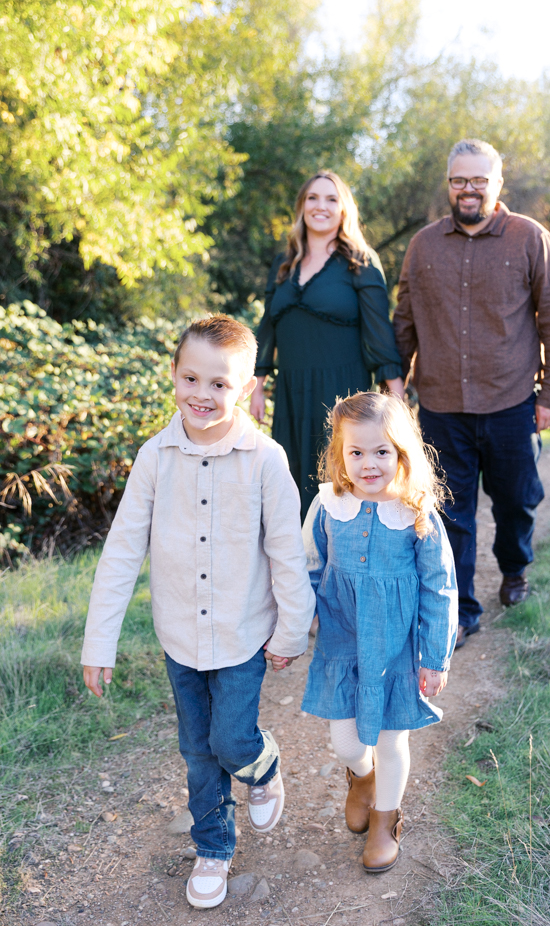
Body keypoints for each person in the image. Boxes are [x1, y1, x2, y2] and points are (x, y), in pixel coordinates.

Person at [81, 314, 315, 910]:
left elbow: (288, 553)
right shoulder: (155, 456)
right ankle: (213, 845)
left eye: (219, 383)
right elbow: (122, 550)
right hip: (180, 634)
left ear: (247, 387)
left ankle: (261, 767)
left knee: (232, 739)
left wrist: (291, 629)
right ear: (174, 374)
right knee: (196, 748)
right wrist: (98, 643)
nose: (202, 395)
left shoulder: (267, 460)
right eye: (191, 378)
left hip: (243, 634)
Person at [393, 138, 550, 649]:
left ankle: (515, 570)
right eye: (458, 180)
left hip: (512, 401)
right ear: (448, 184)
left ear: (497, 184)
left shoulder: (530, 239)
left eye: (478, 180)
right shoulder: (423, 244)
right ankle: (461, 609)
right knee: (451, 513)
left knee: (517, 500)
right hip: (441, 406)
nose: (468, 189)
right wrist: (395, 384)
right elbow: (404, 318)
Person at [300, 392, 458, 873]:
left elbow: (440, 587)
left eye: (381, 452)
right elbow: (308, 567)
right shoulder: (329, 505)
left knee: (391, 740)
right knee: (346, 742)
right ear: (341, 454)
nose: (369, 464)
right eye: (357, 452)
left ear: (402, 453)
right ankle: (361, 779)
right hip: (343, 641)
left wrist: (435, 657)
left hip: (397, 648)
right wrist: (297, 620)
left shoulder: (415, 513)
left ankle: (385, 821)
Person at [251, 170, 404, 520]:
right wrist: (257, 384)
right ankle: (296, 569)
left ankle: (341, 567)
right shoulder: (284, 264)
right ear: (302, 207)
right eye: (313, 198)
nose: (321, 206)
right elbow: (268, 325)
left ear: (344, 209)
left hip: (342, 392)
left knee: (339, 483)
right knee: (289, 484)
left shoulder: (360, 262)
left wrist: (396, 395)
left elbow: (380, 331)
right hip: (290, 391)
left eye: (331, 199)